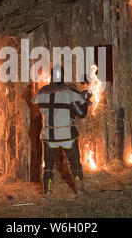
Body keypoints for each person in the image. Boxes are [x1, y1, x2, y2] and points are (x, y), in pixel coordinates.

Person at [32, 65, 92, 198]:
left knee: (48, 165)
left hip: (48, 136)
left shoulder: (41, 93)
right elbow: (81, 114)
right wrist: (86, 100)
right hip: (67, 136)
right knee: (75, 162)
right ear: (63, 76)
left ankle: (47, 193)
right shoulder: (69, 93)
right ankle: (81, 192)